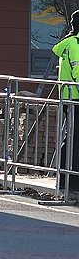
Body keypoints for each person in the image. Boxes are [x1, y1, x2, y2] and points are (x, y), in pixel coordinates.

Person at [52, 11, 79, 182]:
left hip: (69, 97)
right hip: (76, 97)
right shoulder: (76, 44)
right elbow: (78, 71)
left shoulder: (68, 43)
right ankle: (72, 179)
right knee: (75, 140)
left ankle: (64, 177)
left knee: (72, 137)